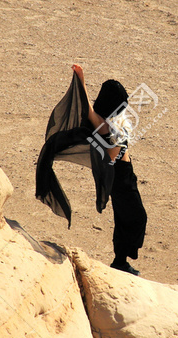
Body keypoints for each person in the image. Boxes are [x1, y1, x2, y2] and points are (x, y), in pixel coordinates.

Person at [35, 64, 147, 275]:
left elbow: (88, 106)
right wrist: (80, 78)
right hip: (121, 179)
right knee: (136, 217)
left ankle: (120, 260)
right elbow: (86, 108)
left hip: (125, 175)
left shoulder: (106, 121)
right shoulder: (103, 125)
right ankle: (120, 261)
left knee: (126, 217)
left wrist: (81, 78)